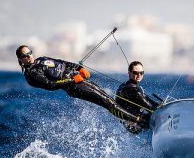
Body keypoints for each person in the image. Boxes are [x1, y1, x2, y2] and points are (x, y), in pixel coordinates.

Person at [16, 45, 145, 125]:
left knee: (107, 97)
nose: (29, 56)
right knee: (106, 102)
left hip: (78, 78)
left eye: (29, 52)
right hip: (74, 87)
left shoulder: (41, 60)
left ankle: (130, 116)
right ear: (20, 59)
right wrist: (73, 80)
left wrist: (79, 68)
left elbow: (62, 62)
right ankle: (137, 120)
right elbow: (51, 85)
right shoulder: (31, 74)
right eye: (25, 55)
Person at [116, 61, 159, 133]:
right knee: (154, 114)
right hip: (134, 125)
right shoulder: (132, 89)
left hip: (132, 120)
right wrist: (161, 111)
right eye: (135, 73)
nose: (139, 75)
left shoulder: (128, 85)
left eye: (141, 73)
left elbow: (146, 99)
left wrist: (161, 106)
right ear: (129, 73)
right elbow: (149, 107)